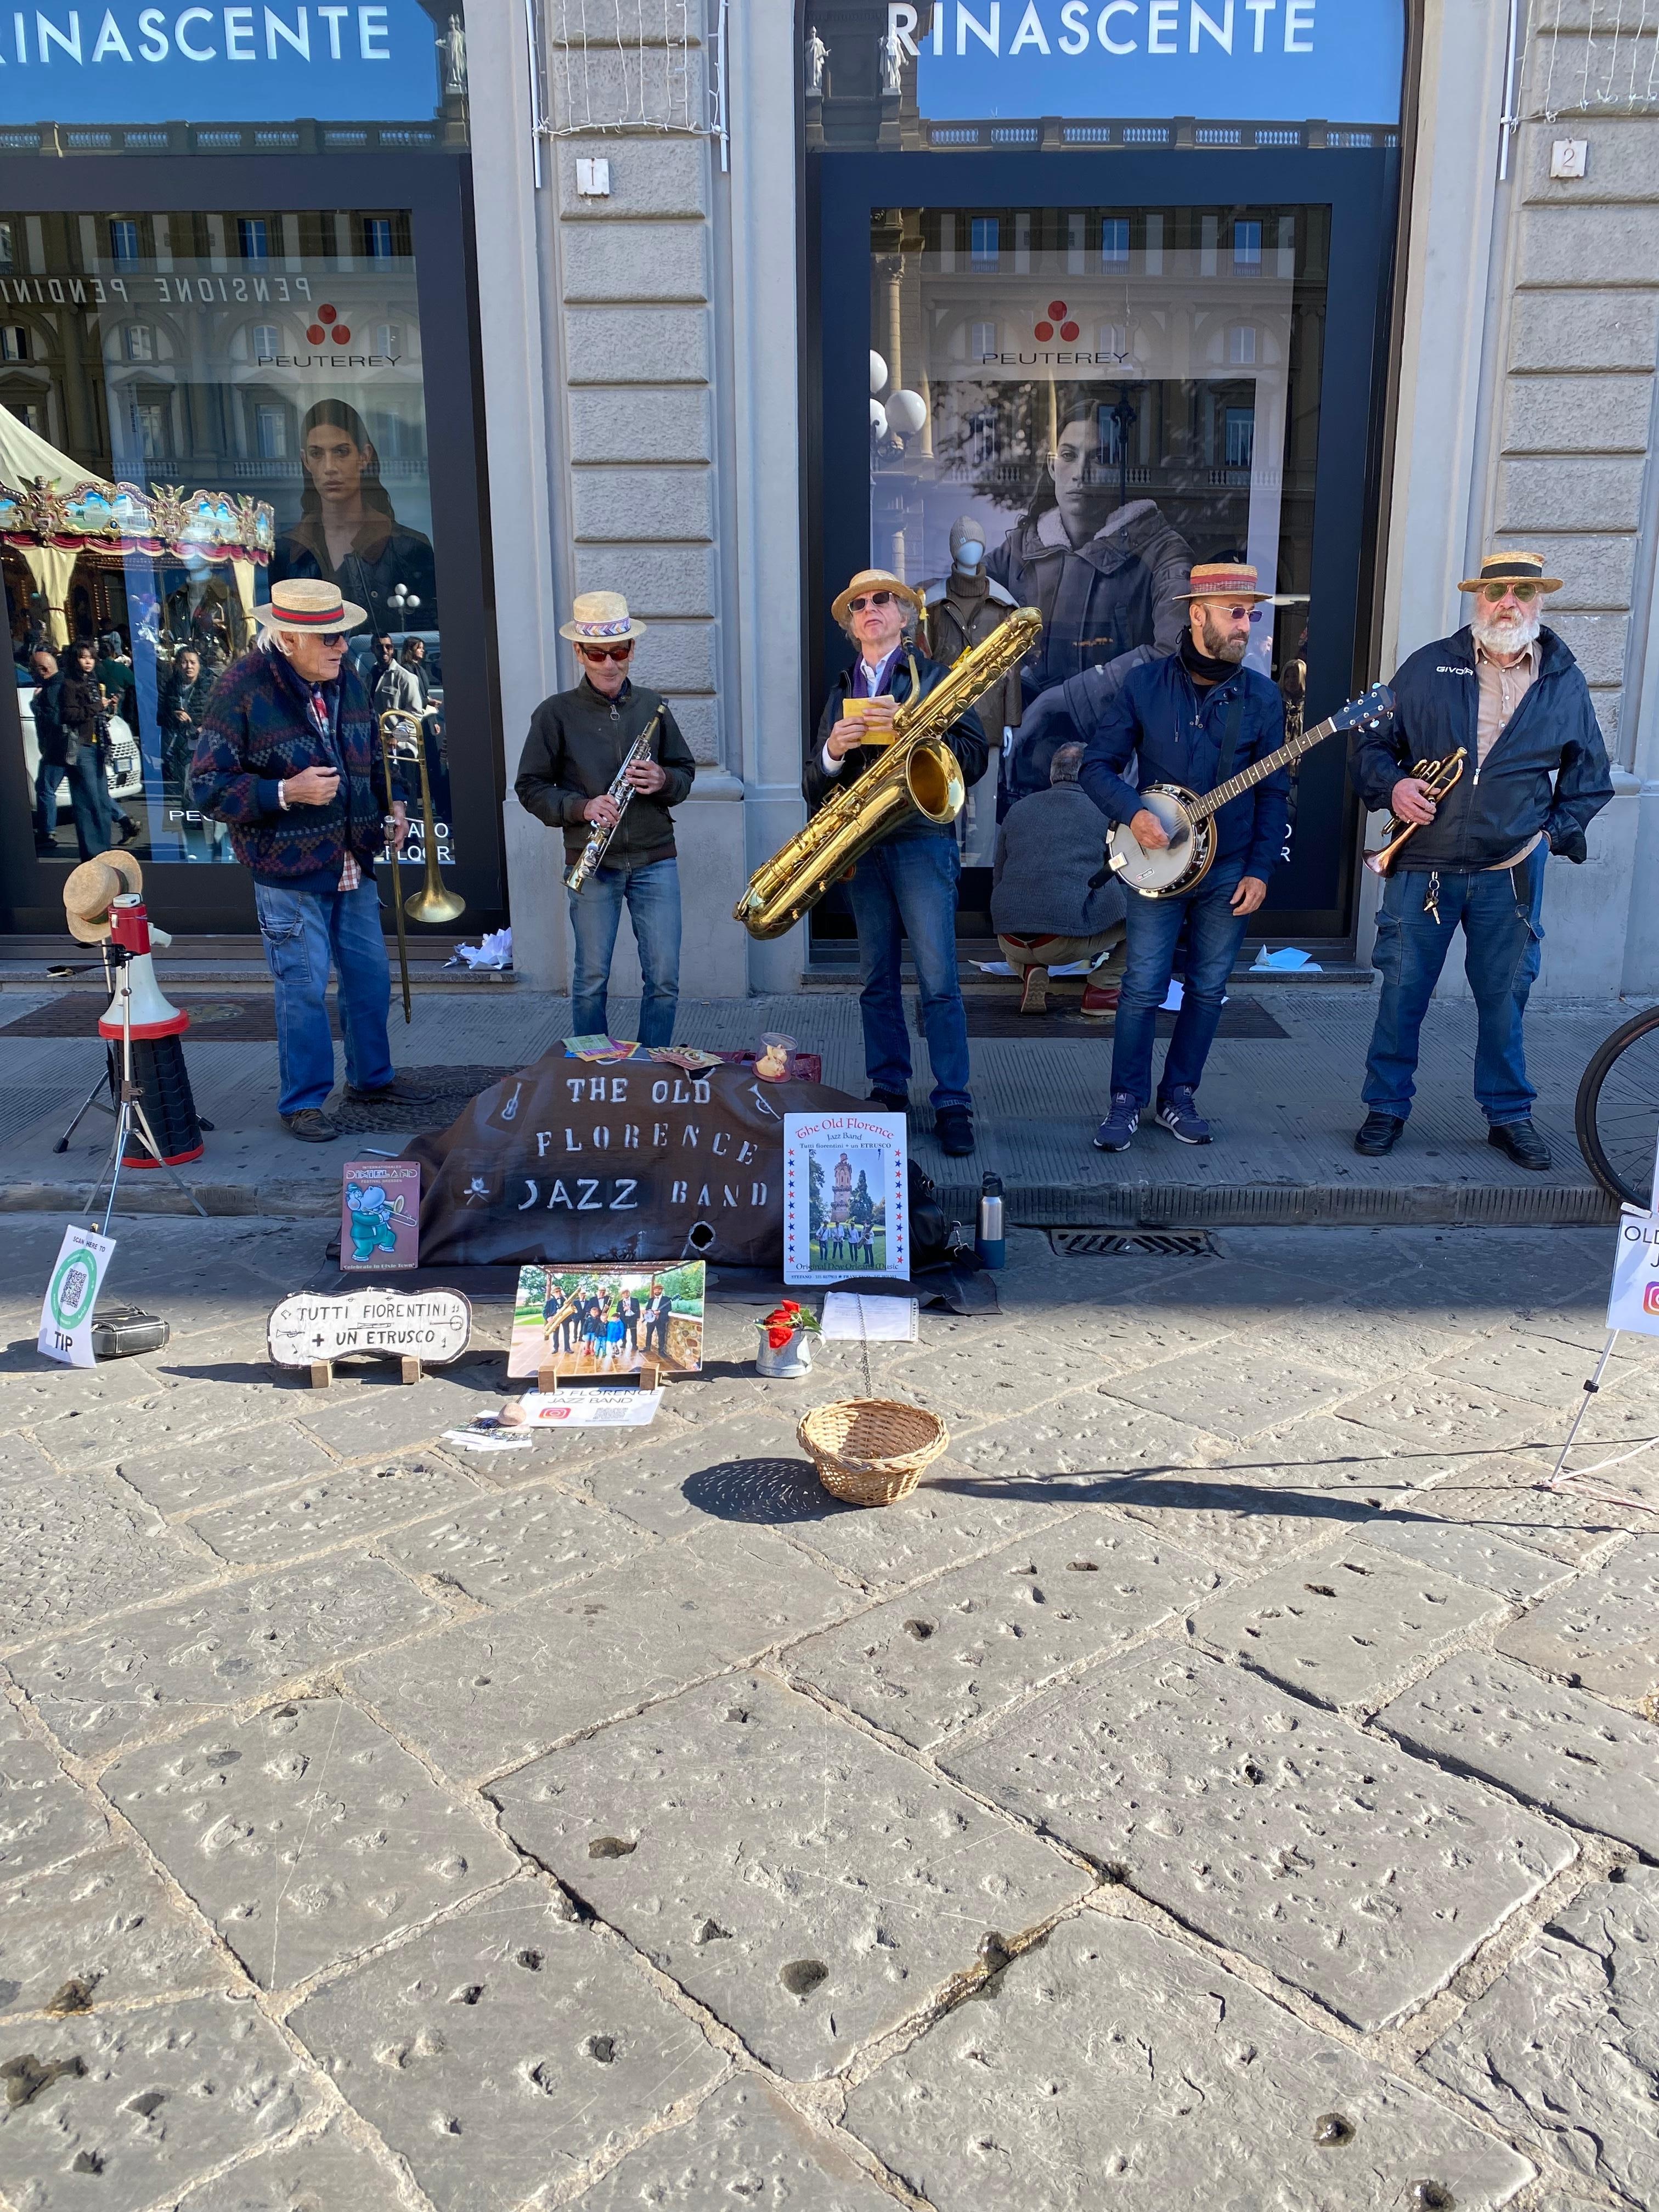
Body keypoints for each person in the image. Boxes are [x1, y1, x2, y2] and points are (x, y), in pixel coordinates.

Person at [1350, 550, 1613, 1170]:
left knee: (1505, 999)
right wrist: (1393, 788)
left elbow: (1591, 775)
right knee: (1402, 994)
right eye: (1496, 591)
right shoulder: (1427, 666)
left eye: (1522, 591)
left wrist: (1552, 835)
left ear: (1539, 601)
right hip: (1424, 867)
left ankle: (1508, 1116)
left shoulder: (1563, 678)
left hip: (1512, 871)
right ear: (1479, 599)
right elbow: (1370, 744)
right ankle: (1385, 1108)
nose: (1508, 602)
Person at [189, 577, 433, 1142]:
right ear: (289, 638)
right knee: (302, 990)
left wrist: (392, 801)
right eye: (329, 639)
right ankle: (302, 1101)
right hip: (288, 871)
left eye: (341, 637)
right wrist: (284, 792)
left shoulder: (345, 680)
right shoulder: (241, 687)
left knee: (371, 980)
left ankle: (373, 1080)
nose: (343, 647)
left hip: (354, 855)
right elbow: (205, 787)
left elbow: (370, 750)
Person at [1081, 562, 1290, 1149]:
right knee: (1143, 985)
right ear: (1198, 614)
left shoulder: (1262, 697)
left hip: (1231, 867)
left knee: (1206, 987)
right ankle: (1125, 1101)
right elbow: (1094, 766)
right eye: (1235, 611)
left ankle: (1179, 1097)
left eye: (1251, 612)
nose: (1246, 624)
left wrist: (1260, 869)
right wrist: (1132, 812)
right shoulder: (1144, 685)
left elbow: (1275, 792)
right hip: (1158, 862)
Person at [808, 566, 988, 1156]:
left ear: (905, 616)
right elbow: (814, 781)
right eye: (859, 603)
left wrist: (915, 733)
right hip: (864, 848)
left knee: (939, 981)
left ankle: (953, 1100)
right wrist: (834, 750)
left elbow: (974, 752)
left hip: (919, 842)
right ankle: (888, 1090)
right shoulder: (840, 690)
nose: (871, 608)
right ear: (851, 623)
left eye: (883, 599)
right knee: (876, 981)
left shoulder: (933, 678)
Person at [515, 591, 696, 1048]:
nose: (610, 663)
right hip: (593, 865)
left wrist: (663, 779)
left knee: (665, 979)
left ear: (632, 649)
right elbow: (531, 787)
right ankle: (593, 1076)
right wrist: (582, 807)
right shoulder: (555, 713)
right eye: (597, 653)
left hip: (656, 860)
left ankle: (653, 1071)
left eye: (619, 651)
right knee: (592, 978)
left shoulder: (654, 705)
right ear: (579, 652)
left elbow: (685, 772)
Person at [988, 404, 1192, 788]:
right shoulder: (1017, 551)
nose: (1081, 472)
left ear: (1120, 473)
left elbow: (1177, 652)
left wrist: (1063, 698)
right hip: (1028, 772)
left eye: (1100, 458)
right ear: (1051, 468)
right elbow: (960, 616)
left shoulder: (1164, 551)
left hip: (1125, 770)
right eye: (1068, 456)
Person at [269, 398, 439, 636]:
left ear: (364, 456)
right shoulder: (286, 552)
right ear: (306, 461)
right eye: (317, 454)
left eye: (341, 452)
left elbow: (430, 639)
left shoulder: (410, 549)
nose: (329, 467)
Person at [991, 740, 1127, 1016]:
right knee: (1149, 918)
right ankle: (1104, 988)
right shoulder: (1108, 813)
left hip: (1010, 941)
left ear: (1052, 775)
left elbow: (998, 876)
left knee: (1018, 919)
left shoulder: (1018, 809)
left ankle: (1029, 969)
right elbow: (1124, 875)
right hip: (1063, 943)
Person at [45, 640, 118, 862]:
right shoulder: (69, 683)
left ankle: (105, 851)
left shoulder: (94, 682)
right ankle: (93, 855)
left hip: (98, 746)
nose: (88, 662)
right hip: (81, 748)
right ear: (75, 660)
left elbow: (97, 716)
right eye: (83, 657)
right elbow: (70, 715)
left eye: (91, 658)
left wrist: (110, 706)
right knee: (88, 803)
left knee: (103, 802)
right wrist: (98, 707)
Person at [160, 646, 218, 857]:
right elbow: (161, 717)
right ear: (177, 665)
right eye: (184, 662)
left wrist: (194, 723)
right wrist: (174, 719)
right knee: (188, 799)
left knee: (212, 795)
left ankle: (219, 845)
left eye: (193, 662)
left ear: (200, 665)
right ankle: (196, 846)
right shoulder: (171, 687)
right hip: (182, 750)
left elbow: (217, 717)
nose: (189, 667)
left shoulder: (209, 685)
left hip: (207, 750)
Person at [29, 647, 63, 853]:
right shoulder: (64, 682)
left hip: (57, 749)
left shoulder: (50, 691)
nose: (32, 673)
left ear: (44, 670)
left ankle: (47, 833)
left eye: (33, 670)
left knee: (45, 788)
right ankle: (124, 821)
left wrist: (36, 705)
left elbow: (53, 720)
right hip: (73, 747)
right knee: (89, 792)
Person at [641, 1278, 671, 1361]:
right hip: (651, 1319)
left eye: (659, 1289)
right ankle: (647, 1347)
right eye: (655, 1290)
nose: (657, 1291)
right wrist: (645, 1312)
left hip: (661, 1319)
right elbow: (648, 1309)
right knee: (649, 1333)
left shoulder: (667, 1300)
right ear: (654, 1291)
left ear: (661, 1290)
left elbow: (669, 1309)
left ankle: (661, 1351)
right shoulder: (651, 1300)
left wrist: (660, 1311)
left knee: (661, 1335)